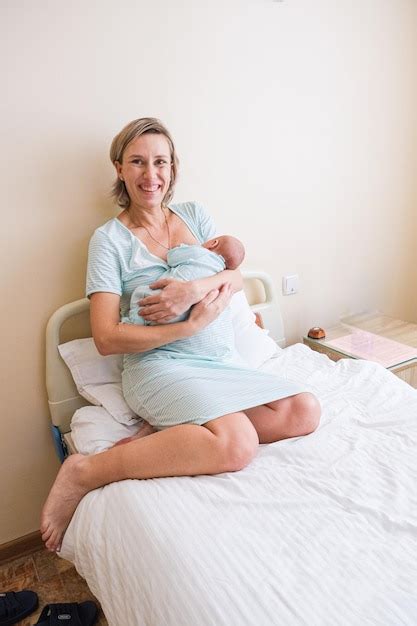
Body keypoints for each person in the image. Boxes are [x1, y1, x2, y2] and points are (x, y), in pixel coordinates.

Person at [41, 117, 321, 552]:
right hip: (158, 367)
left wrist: (193, 290)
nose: (150, 175)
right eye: (137, 162)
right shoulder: (108, 241)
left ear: (172, 168)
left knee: (304, 409)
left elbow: (234, 276)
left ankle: (173, 430)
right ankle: (86, 470)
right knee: (237, 442)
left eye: (160, 162)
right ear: (119, 168)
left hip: (218, 363)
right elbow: (105, 338)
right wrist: (187, 325)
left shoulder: (194, 215)